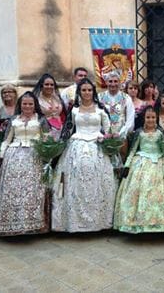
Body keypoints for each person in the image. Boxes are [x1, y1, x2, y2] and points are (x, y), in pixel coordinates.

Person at [52, 78, 117, 232]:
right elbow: (68, 130)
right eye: (84, 90)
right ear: (79, 92)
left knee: (99, 182)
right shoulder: (74, 110)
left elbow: (109, 131)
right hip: (76, 146)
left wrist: (109, 140)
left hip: (97, 146)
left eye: (89, 90)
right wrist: (58, 147)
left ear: (93, 92)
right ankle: (73, 220)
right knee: (75, 181)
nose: (87, 93)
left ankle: (100, 221)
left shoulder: (101, 110)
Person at [114, 106, 164, 233]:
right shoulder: (139, 133)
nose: (150, 120)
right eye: (148, 117)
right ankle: (136, 222)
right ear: (144, 118)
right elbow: (133, 149)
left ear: (157, 118)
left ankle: (162, 223)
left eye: (153, 117)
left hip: (158, 161)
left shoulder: (160, 133)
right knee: (138, 188)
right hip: (141, 161)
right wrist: (127, 165)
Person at [0, 92, 50, 236]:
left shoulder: (41, 120)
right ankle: (13, 224)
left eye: (30, 104)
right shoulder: (13, 120)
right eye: (24, 104)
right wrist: (1, 155)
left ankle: (33, 223)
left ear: (35, 105)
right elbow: (7, 139)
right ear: (20, 105)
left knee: (32, 190)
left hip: (34, 156)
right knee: (13, 189)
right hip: (13, 157)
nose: (27, 106)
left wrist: (46, 154)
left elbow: (46, 139)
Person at [98, 71, 135, 138]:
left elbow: (130, 118)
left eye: (115, 81)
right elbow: (96, 117)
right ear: (106, 82)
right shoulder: (99, 97)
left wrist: (121, 133)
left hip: (121, 136)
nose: (113, 84)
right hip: (103, 137)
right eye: (110, 81)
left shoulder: (126, 98)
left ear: (119, 82)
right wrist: (102, 134)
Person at [32, 73, 66, 137]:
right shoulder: (37, 100)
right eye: (46, 84)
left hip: (60, 128)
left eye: (52, 85)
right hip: (43, 129)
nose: (49, 86)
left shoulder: (57, 98)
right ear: (42, 86)